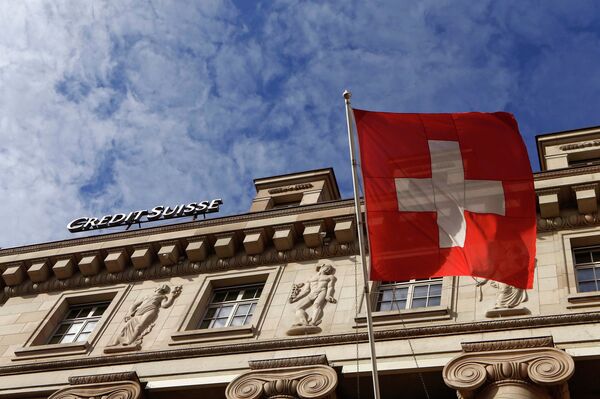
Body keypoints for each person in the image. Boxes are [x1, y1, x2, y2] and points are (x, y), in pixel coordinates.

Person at [108, 284, 182, 347]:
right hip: (139, 312)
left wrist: (172, 296)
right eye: (160, 287)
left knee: (139, 326)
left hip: (150, 310)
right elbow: (134, 305)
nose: (160, 289)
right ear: (156, 289)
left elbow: (164, 305)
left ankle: (130, 342)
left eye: (162, 289)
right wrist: (130, 314)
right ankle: (116, 343)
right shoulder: (147, 296)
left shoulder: (162, 297)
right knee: (126, 326)